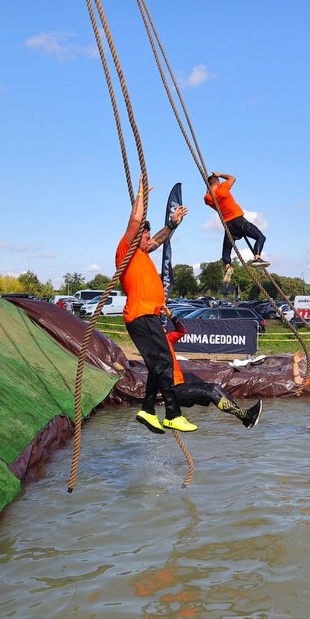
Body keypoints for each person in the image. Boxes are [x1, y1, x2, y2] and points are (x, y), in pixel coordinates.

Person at [118, 184, 197, 434]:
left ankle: (148, 410)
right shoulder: (126, 252)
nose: (148, 241)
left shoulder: (143, 254)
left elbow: (159, 240)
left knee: (157, 364)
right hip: (140, 315)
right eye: (144, 237)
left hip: (148, 315)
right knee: (164, 361)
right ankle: (173, 415)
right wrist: (142, 195)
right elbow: (135, 220)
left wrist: (173, 224)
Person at [161, 306, 263, 427]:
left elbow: (182, 330)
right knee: (210, 391)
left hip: (180, 386)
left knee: (215, 387)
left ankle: (245, 417)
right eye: (160, 328)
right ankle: (245, 416)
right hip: (172, 391)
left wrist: (170, 315)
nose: (163, 328)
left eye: (163, 326)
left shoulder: (167, 340)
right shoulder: (155, 347)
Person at [203, 172, 267, 284]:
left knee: (226, 250)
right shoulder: (222, 187)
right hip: (239, 220)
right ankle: (257, 258)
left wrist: (208, 186)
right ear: (218, 182)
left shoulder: (208, 198)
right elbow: (233, 178)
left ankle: (228, 266)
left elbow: (208, 193)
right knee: (260, 237)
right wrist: (220, 174)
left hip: (229, 225)